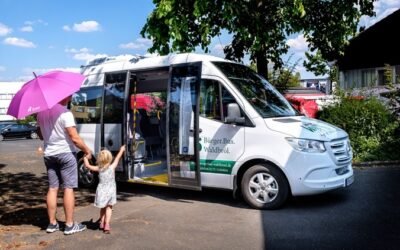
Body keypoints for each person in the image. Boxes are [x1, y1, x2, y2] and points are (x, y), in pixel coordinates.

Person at [36, 95, 92, 235]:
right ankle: (69, 225)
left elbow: (41, 134)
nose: (71, 97)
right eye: (69, 95)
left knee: (53, 188)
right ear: (63, 96)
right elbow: (74, 138)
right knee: (68, 188)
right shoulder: (65, 113)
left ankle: (52, 224)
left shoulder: (41, 113)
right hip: (66, 153)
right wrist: (86, 150)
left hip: (49, 154)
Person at [83, 145, 126, 234]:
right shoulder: (112, 167)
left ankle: (102, 223)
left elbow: (87, 165)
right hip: (110, 190)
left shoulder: (98, 168)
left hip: (101, 190)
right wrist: (121, 149)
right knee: (109, 208)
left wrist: (85, 157)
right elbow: (118, 157)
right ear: (109, 159)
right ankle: (107, 225)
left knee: (102, 208)